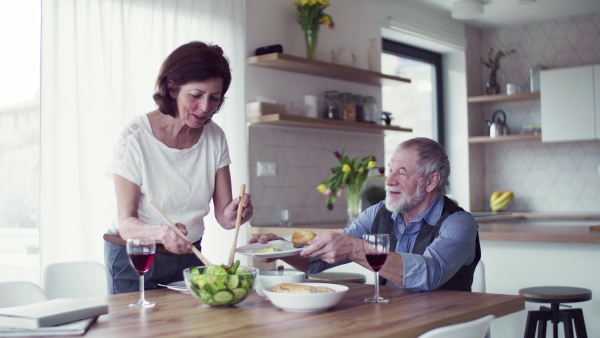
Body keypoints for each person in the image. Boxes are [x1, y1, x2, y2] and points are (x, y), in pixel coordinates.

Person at [104, 41, 253, 294]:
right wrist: (162, 233)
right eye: (196, 96)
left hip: (190, 257)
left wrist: (236, 214)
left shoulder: (215, 137)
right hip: (136, 257)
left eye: (214, 98)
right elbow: (126, 223)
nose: (206, 107)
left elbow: (224, 217)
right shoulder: (135, 137)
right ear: (172, 89)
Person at [250, 137, 480, 292]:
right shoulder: (378, 213)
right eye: (390, 170)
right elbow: (317, 261)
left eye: (402, 173)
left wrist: (355, 248)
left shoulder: (459, 223)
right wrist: (280, 249)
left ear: (431, 181)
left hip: (446, 327)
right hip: (395, 321)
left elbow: (429, 274)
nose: (389, 180)